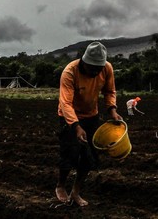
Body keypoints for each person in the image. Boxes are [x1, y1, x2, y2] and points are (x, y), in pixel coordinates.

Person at [55, 41, 122, 207]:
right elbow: (66, 103)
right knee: (70, 153)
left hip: (91, 116)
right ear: (84, 62)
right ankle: (61, 185)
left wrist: (112, 110)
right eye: (92, 68)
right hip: (69, 117)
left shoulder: (107, 68)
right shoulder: (70, 72)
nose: (95, 72)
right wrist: (76, 126)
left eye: (98, 68)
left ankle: (76, 192)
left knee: (88, 156)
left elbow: (109, 91)